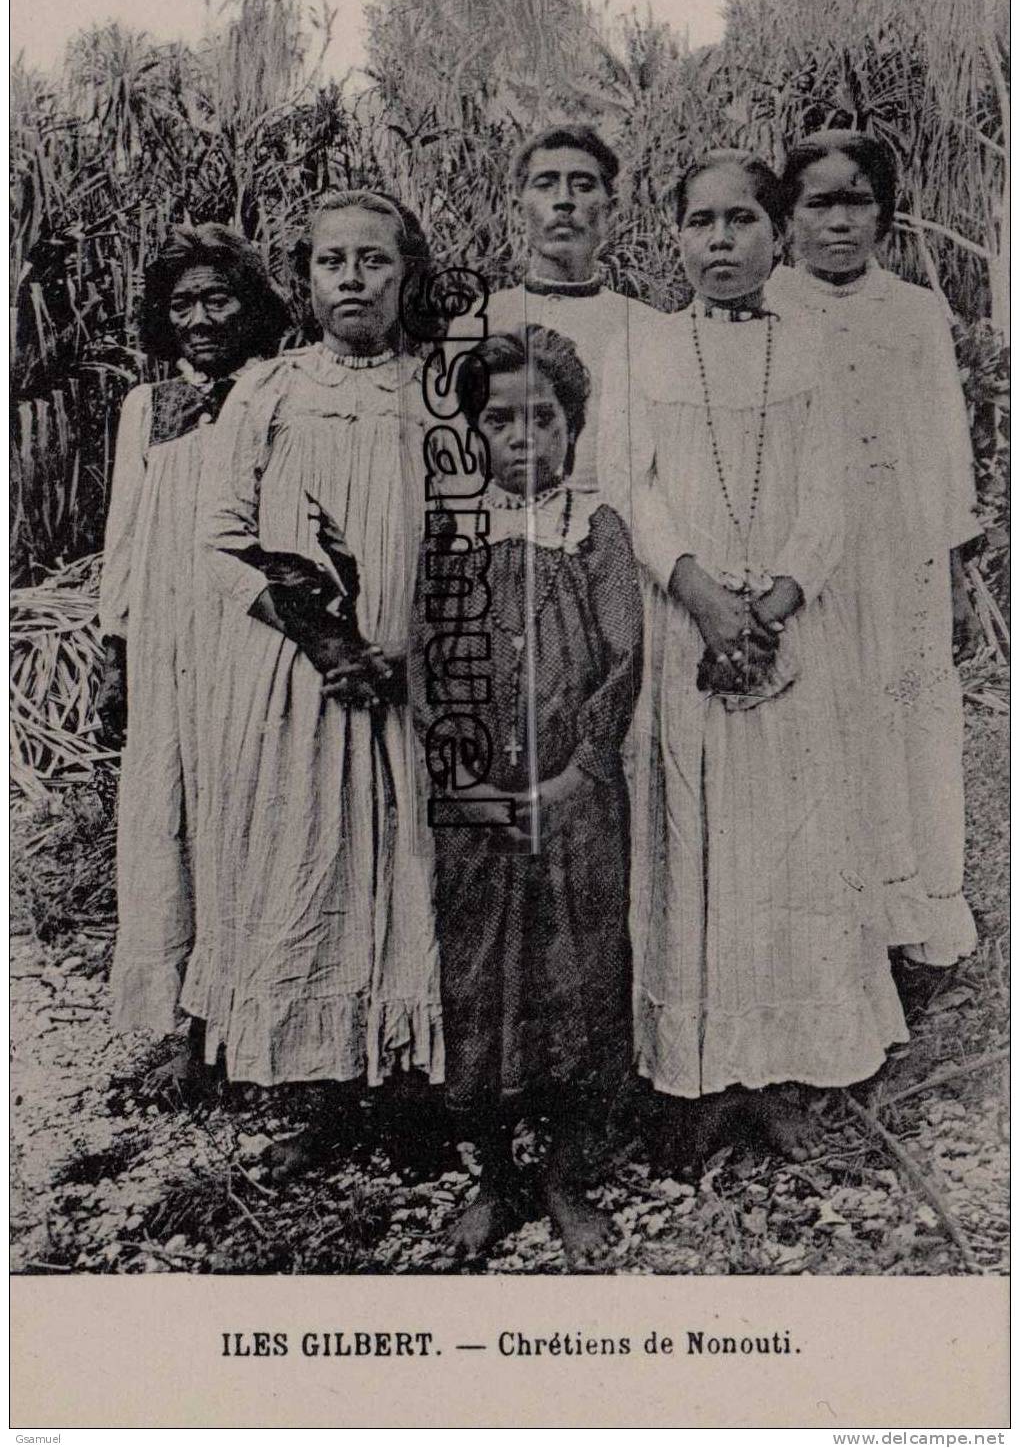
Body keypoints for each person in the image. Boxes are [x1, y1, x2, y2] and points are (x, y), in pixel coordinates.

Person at [602, 150, 907, 1161]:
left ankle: (784, 1071)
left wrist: (771, 603)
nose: (721, 241)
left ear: (777, 235)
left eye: (743, 221)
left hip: (790, 630)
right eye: (701, 222)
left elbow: (834, 497)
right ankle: (695, 1078)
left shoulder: (814, 349)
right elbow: (634, 490)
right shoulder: (645, 350)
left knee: (791, 845)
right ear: (675, 234)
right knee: (691, 843)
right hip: (684, 623)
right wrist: (700, 595)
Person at [187, 190, 442, 1180]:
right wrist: (319, 637)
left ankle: (411, 1095)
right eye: (332, 262)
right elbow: (219, 540)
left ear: (405, 274)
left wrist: (408, 649)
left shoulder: (438, 390)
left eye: (373, 260)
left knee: (405, 866)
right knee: (312, 859)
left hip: (408, 679)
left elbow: (468, 532)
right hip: (302, 679)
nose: (352, 279)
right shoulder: (270, 391)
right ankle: (329, 1098)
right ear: (305, 280)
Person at [411, 326, 642, 1264]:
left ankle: (567, 1173)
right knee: (478, 975)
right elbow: (430, 667)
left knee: (577, 975)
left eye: (541, 417)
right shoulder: (454, 534)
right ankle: (498, 1174)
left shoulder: (597, 529)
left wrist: (569, 777)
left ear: (573, 428)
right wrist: (471, 780)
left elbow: (621, 661)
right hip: (475, 805)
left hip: (576, 800)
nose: (521, 437)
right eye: (498, 419)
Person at [769, 131, 982, 975]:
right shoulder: (771, 305)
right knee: (823, 720)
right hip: (808, 556)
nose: (838, 221)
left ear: (884, 214)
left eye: (856, 200)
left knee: (907, 721)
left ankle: (915, 916)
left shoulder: (915, 311)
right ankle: (833, 924)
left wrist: (957, 570)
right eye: (818, 202)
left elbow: (943, 443)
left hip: (902, 549)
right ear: (788, 218)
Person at [97, 224, 290, 1087]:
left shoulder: (278, 391)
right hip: (169, 644)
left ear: (252, 306)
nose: (203, 319)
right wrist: (116, 646)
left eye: (220, 299)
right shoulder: (148, 407)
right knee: (168, 819)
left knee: (248, 817)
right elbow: (127, 537)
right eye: (183, 304)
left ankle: (256, 1021)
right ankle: (190, 1029)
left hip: (248, 636)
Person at [445, 123, 665, 502]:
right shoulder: (475, 325)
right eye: (546, 184)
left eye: (582, 184)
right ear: (519, 209)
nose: (564, 201)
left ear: (609, 209)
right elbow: (458, 461)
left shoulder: (650, 328)